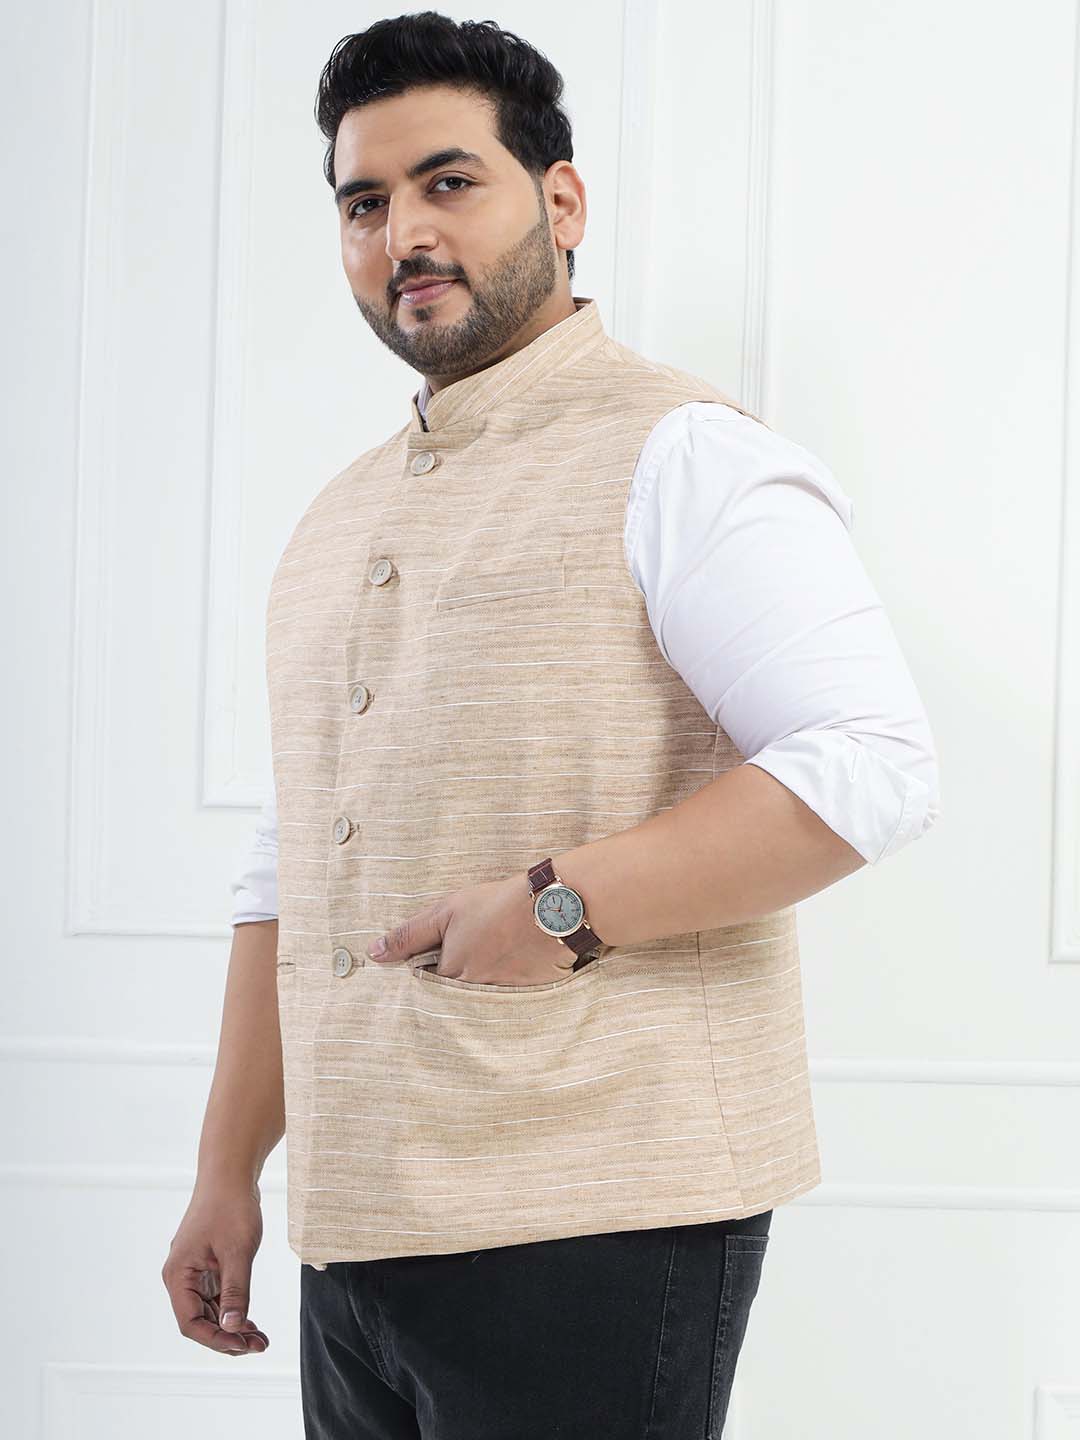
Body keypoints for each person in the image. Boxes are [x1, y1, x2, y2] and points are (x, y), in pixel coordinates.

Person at [162, 12, 941, 1437]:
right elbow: (295, 858)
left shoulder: (683, 452)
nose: (403, 230)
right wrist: (228, 1172)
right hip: (354, 1229)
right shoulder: (338, 516)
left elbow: (870, 765)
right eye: (363, 202)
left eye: (449, 182)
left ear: (562, 201)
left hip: (601, 1220)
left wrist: (560, 908)